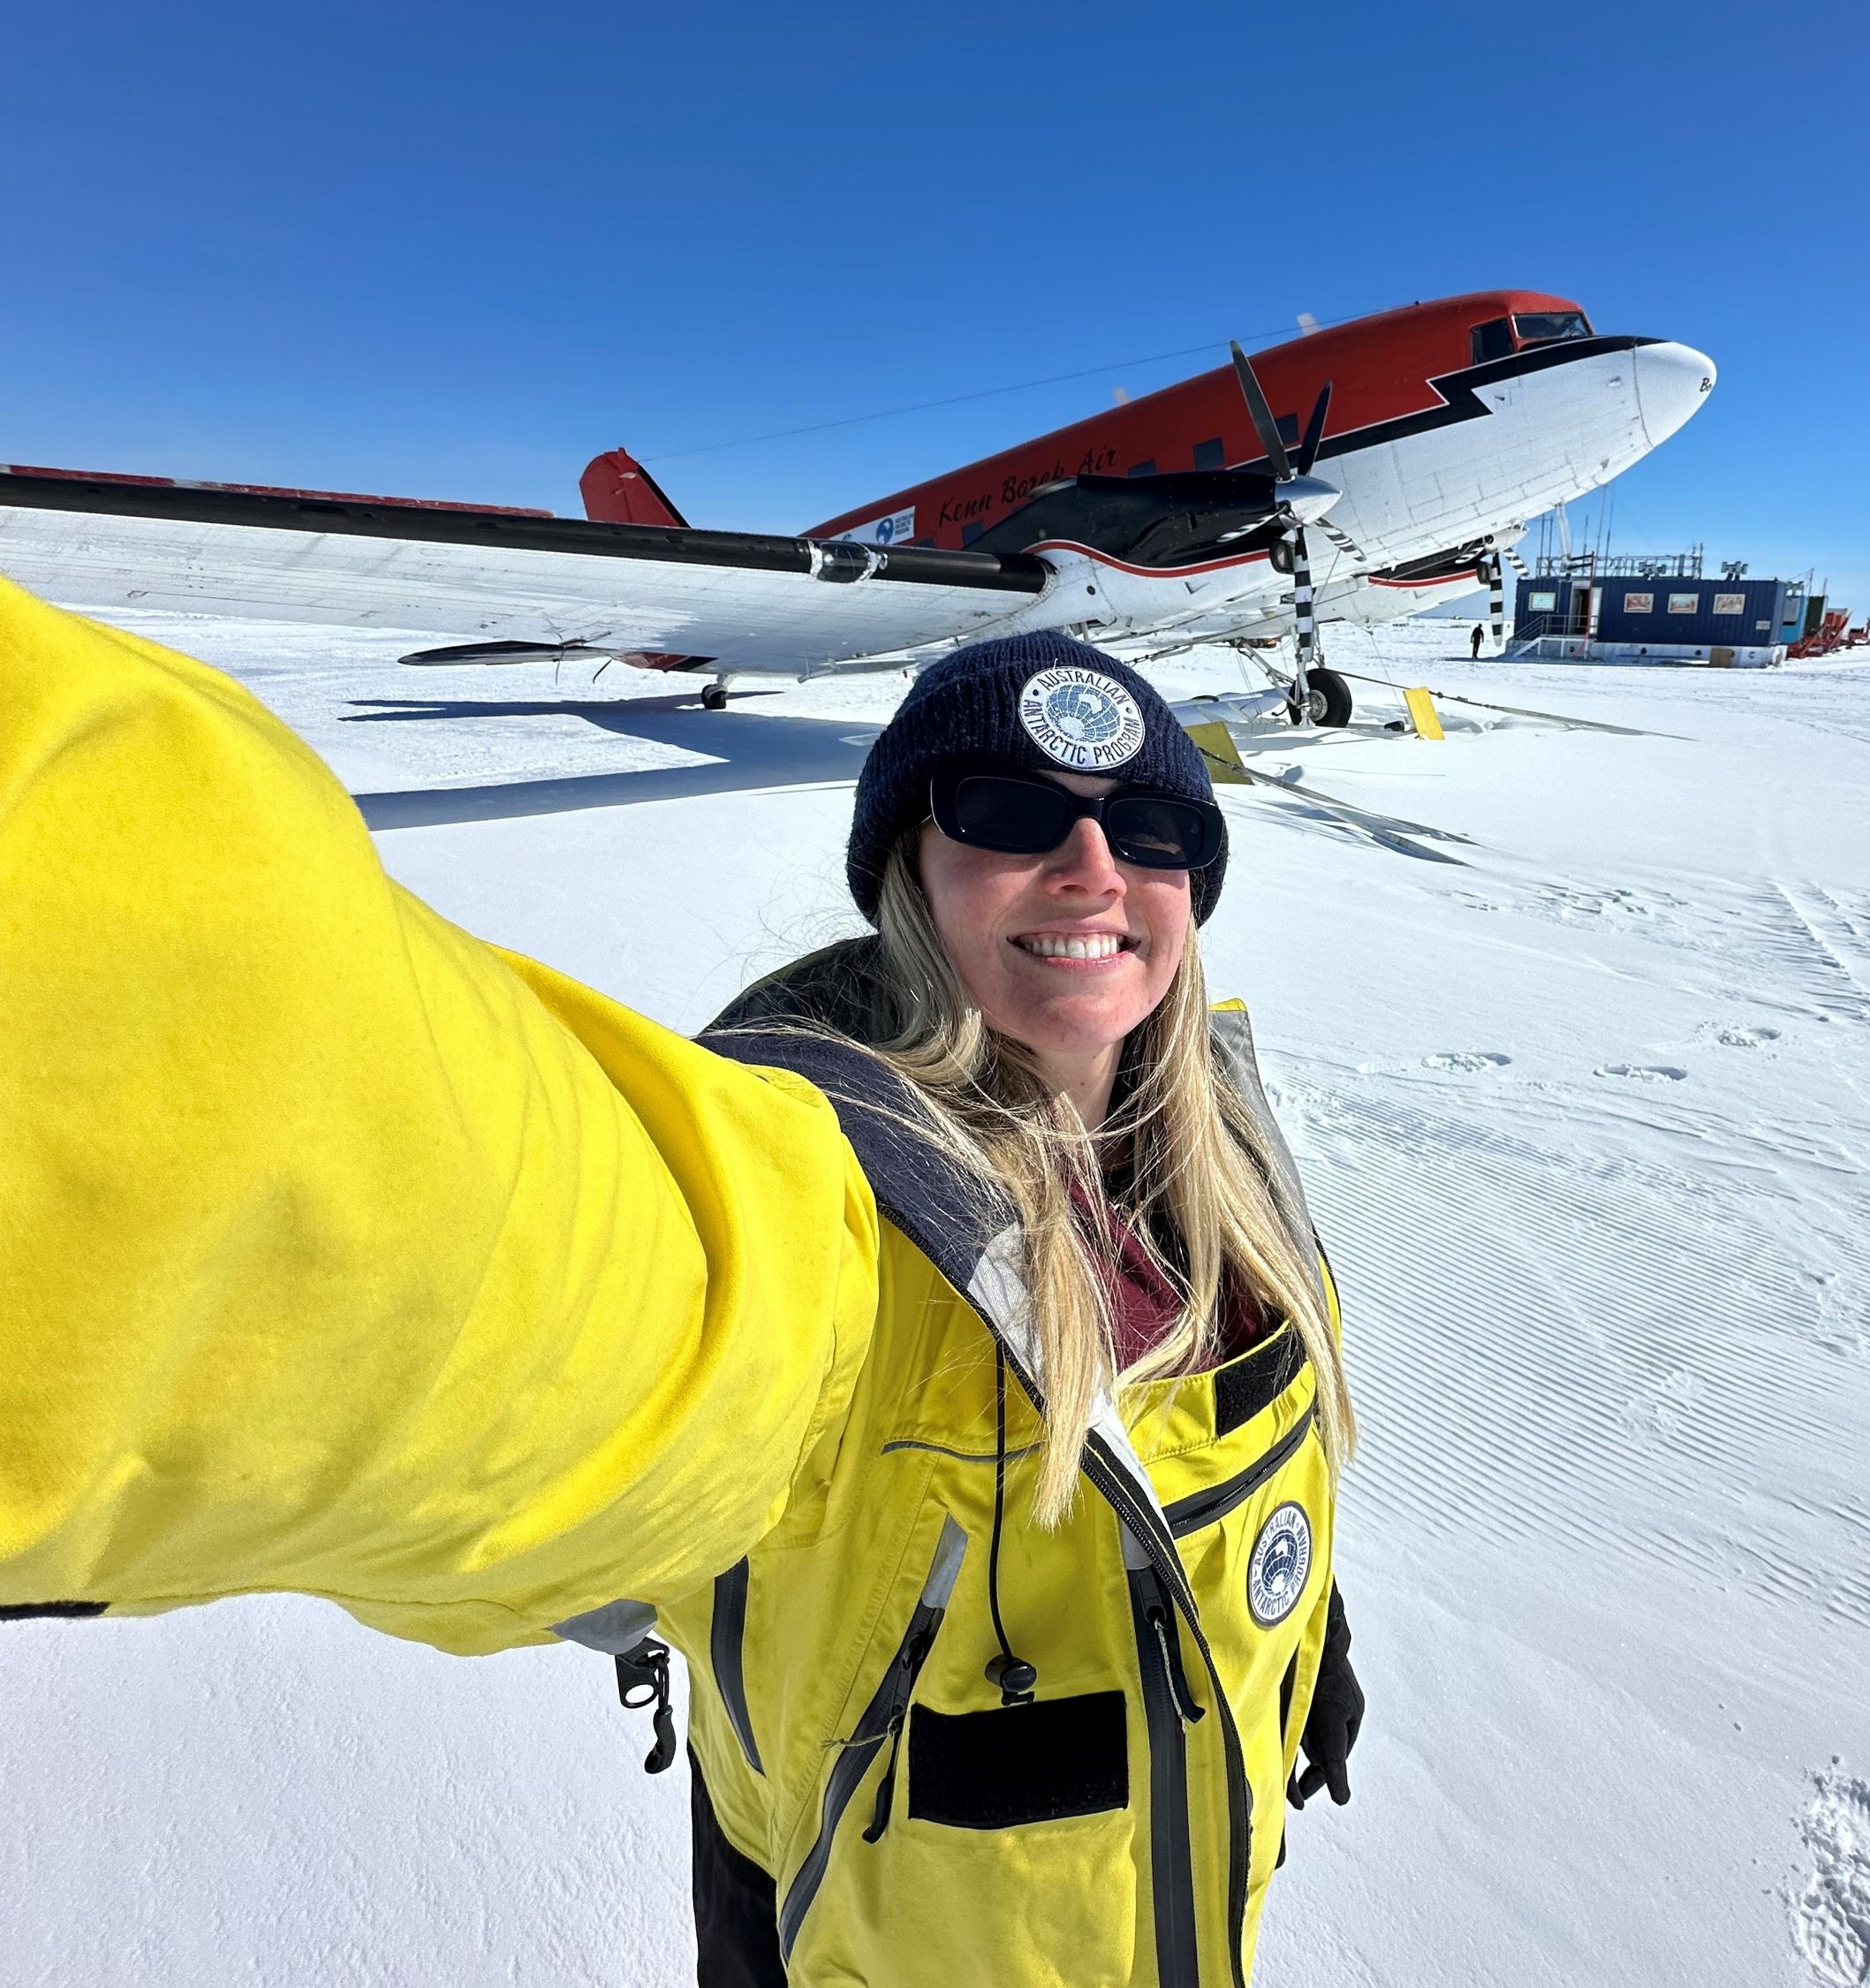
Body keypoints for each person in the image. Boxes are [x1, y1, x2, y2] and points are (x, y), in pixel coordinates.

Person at [0, 584, 1363, 1988]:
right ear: (910, 867)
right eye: (1013, 812)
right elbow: (486, 1249)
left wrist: (1302, 1630)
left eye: (1154, 834)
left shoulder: (1223, 1145)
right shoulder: (827, 1200)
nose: (1093, 865)